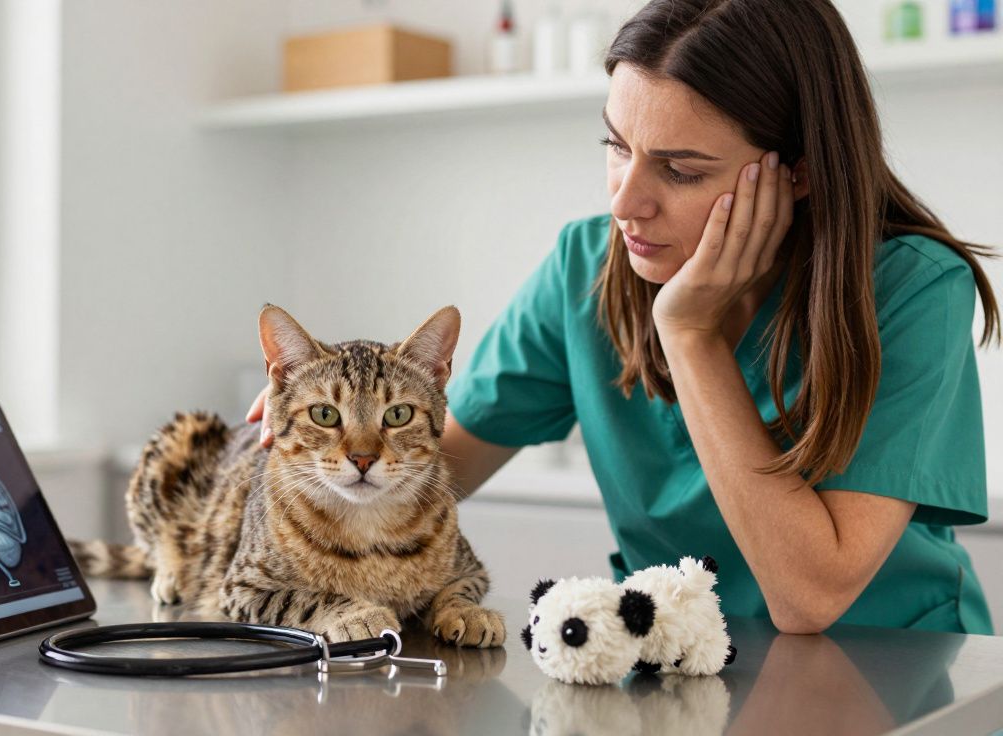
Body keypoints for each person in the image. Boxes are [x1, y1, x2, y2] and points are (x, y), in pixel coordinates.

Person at [250, 0, 998, 635]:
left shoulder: (913, 290)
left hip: (902, 674)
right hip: (673, 665)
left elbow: (811, 597)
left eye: (679, 170)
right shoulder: (586, 265)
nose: (625, 202)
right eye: (616, 145)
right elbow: (432, 467)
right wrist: (314, 432)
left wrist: (691, 334)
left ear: (796, 173)